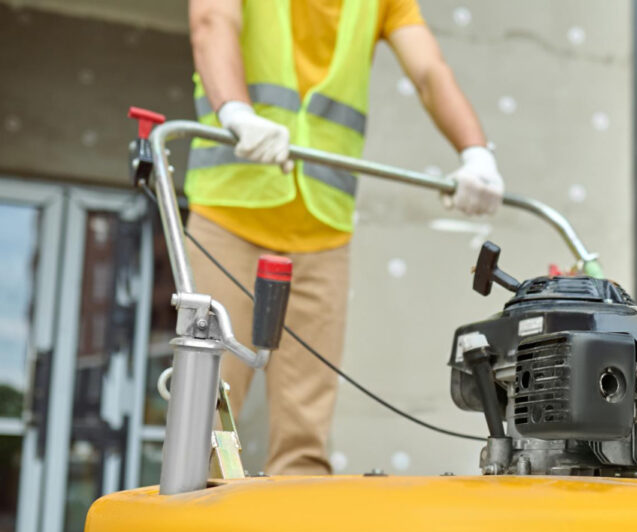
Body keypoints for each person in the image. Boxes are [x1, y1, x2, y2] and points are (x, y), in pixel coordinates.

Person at [184, 0, 503, 475]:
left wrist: (476, 152)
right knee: (204, 418)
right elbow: (212, 21)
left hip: (322, 234)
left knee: (304, 442)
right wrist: (235, 112)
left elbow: (429, 72)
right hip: (229, 218)